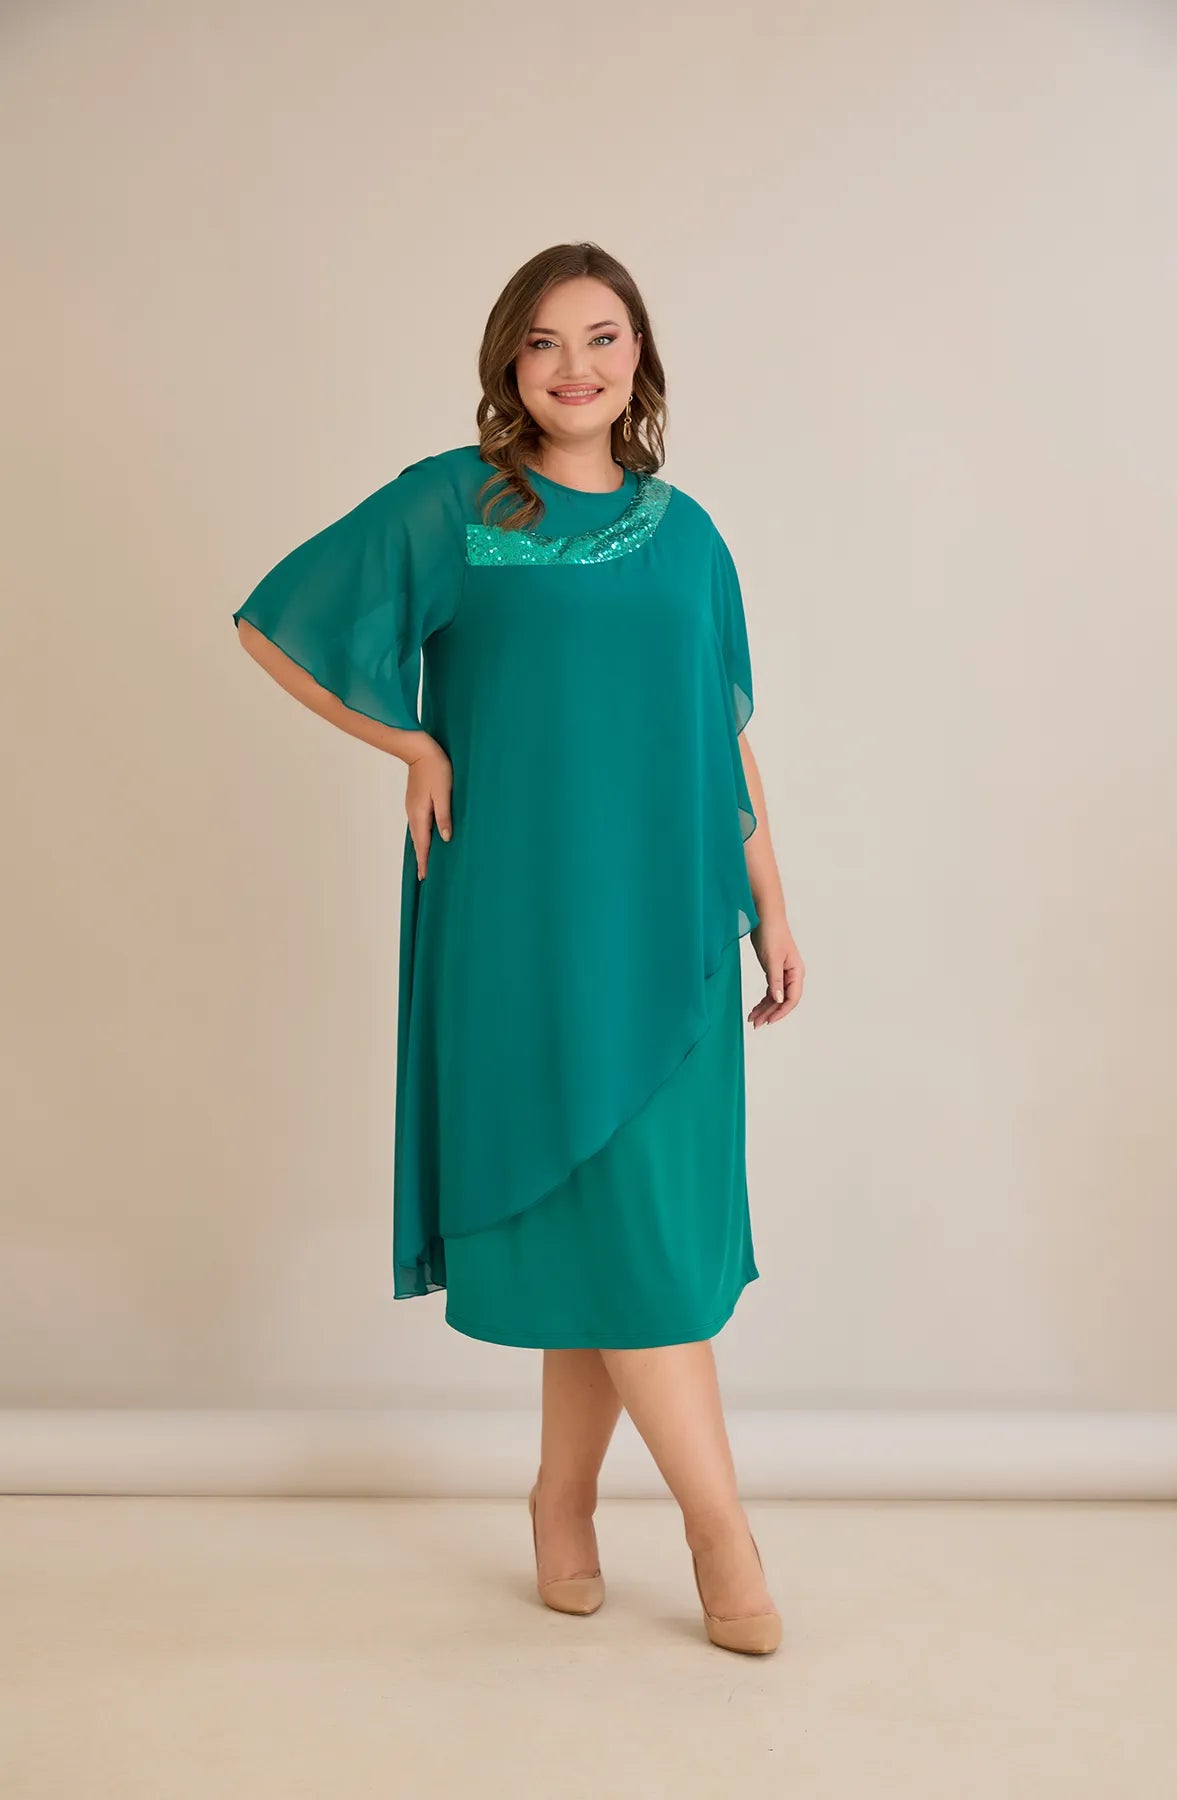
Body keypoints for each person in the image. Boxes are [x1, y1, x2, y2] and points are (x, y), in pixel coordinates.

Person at [232, 241, 804, 1655]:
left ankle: (562, 1499)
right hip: (520, 921)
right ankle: (720, 1531)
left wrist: (772, 903)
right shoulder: (458, 503)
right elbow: (280, 623)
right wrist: (412, 742)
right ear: (510, 362)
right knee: (591, 1213)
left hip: (669, 926)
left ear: (638, 356)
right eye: (545, 342)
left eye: (602, 338)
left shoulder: (688, 535)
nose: (575, 367)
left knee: (629, 1233)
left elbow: (721, 734)